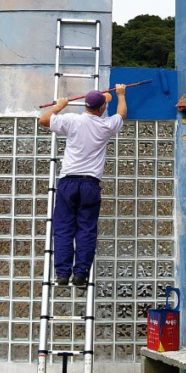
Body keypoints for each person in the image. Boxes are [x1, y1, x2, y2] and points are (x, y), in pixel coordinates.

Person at [38, 84, 127, 288]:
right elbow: (121, 115)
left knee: (63, 229)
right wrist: (120, 95)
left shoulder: (72, 120)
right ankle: (81, 275)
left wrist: (59, 106)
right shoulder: (106, 126)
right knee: (86, 229)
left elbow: (43, 120)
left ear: (85, 106)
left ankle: (62, 274)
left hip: (68, 181)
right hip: (90, 184)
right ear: (101, 109)